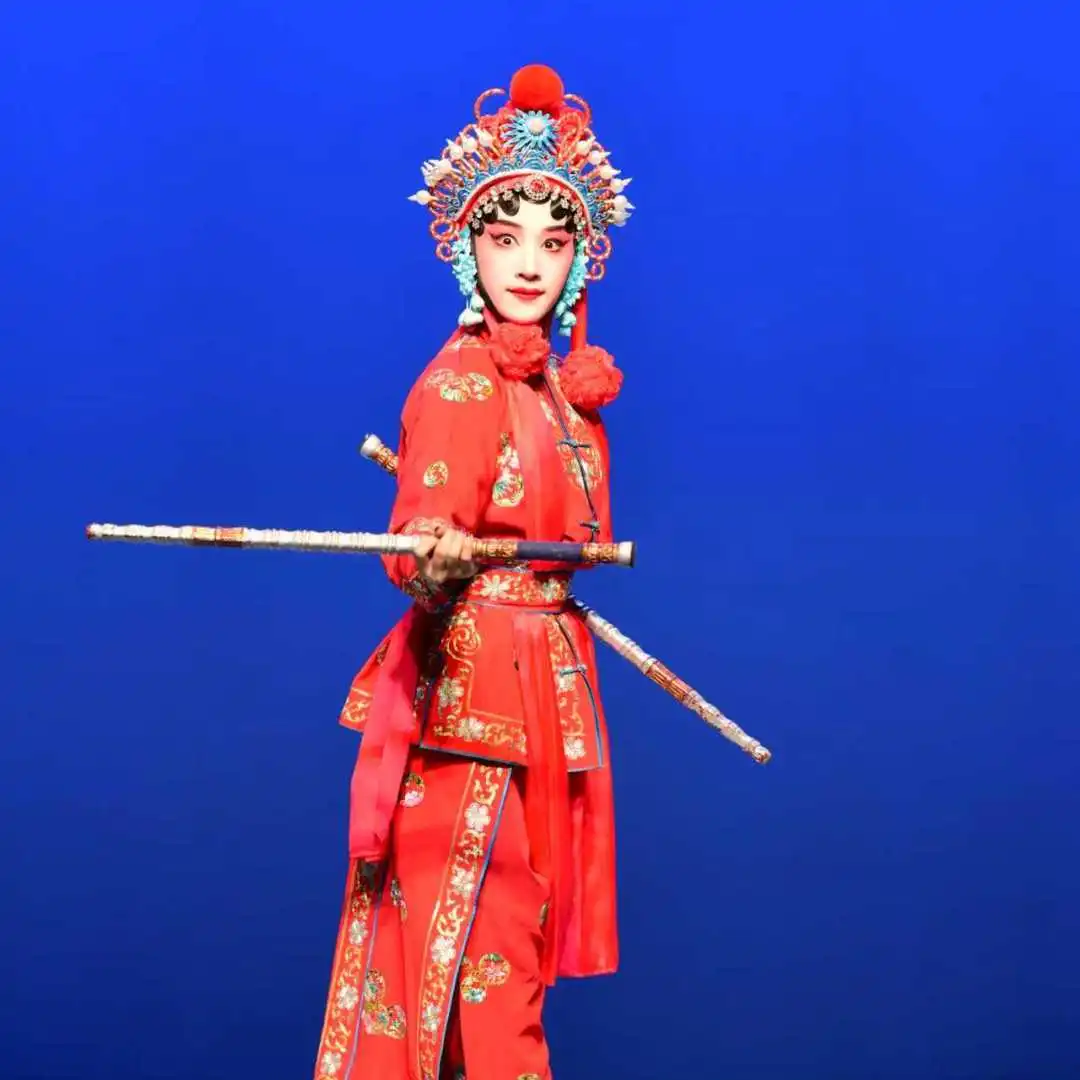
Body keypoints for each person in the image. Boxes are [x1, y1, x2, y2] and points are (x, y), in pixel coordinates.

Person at [314, 63, 635, 1080]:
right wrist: (433, 558)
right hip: (473, 699)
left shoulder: (564, 397)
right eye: (506, 238)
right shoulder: (460, 380)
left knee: (511, 957)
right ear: (469, 249)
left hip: (549, 687)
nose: (530, 262)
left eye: (554, 240)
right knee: (481, 963)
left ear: (579, 259)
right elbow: (417, 543)